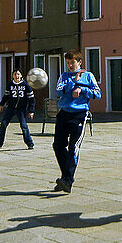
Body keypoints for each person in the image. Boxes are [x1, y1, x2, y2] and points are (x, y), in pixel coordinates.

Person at [51, 51, 100, 193]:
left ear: (79, 62)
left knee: (74, 147)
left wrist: (82, 88)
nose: (70, 65)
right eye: (68, 63)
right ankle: (66, 177)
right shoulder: (64, 76)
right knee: (58, 146)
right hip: (63, 114)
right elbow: (59, 91)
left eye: (72, 62)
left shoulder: (88, 76)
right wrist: (74, 82)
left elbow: (97, 93)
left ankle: (67, 179)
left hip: (79, 115)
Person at [0, 70, 35, 149]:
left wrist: (31, 111)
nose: (17, 76)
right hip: (11, 108)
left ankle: (30, 143)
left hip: (21, 109)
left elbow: (31, 99)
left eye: (18, 74)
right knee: (3, 124)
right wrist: (1, 104)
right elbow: (6, 96)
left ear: (21, 75)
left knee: (24, 126)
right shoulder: (10, 85)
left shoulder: (26, 85)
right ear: (12, 76)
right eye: (15, 74)